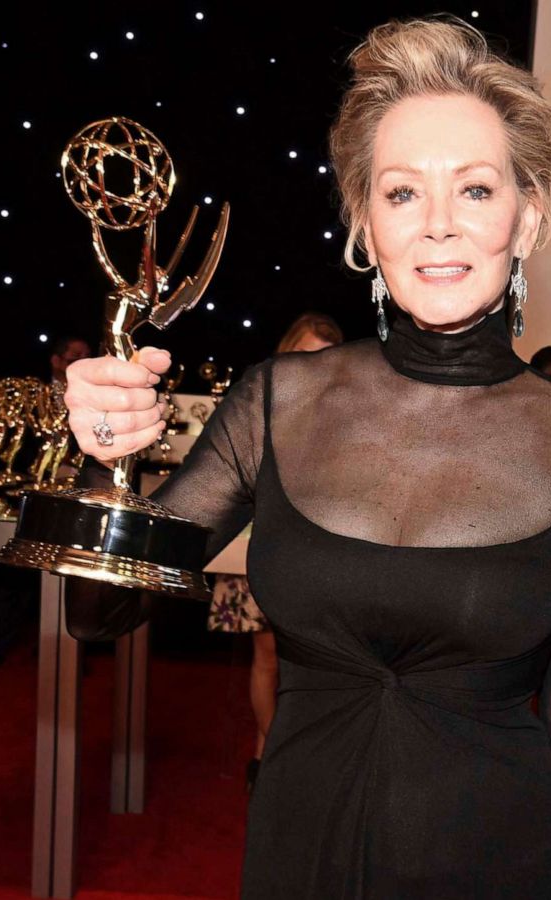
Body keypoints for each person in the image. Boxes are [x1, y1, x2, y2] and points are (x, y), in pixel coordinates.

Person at [63, 18, 551, 899]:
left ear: (526, 220)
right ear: (364, 228)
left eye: (476, 190)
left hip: (491, 858)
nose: (440, 227)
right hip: (298, 852)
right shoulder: (279, 401)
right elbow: (94, 615)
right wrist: (103, 461)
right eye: (403, 193)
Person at [209, 312, 343, 791]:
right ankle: (266, 750)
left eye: (323, 358)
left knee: (307, 666)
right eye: (304, 355)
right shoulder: (254, 406)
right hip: (255, 547)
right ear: (285, 353)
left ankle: (284, 754)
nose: (312, 367)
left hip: (314, 559)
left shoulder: (348, 414)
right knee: (265, 655)